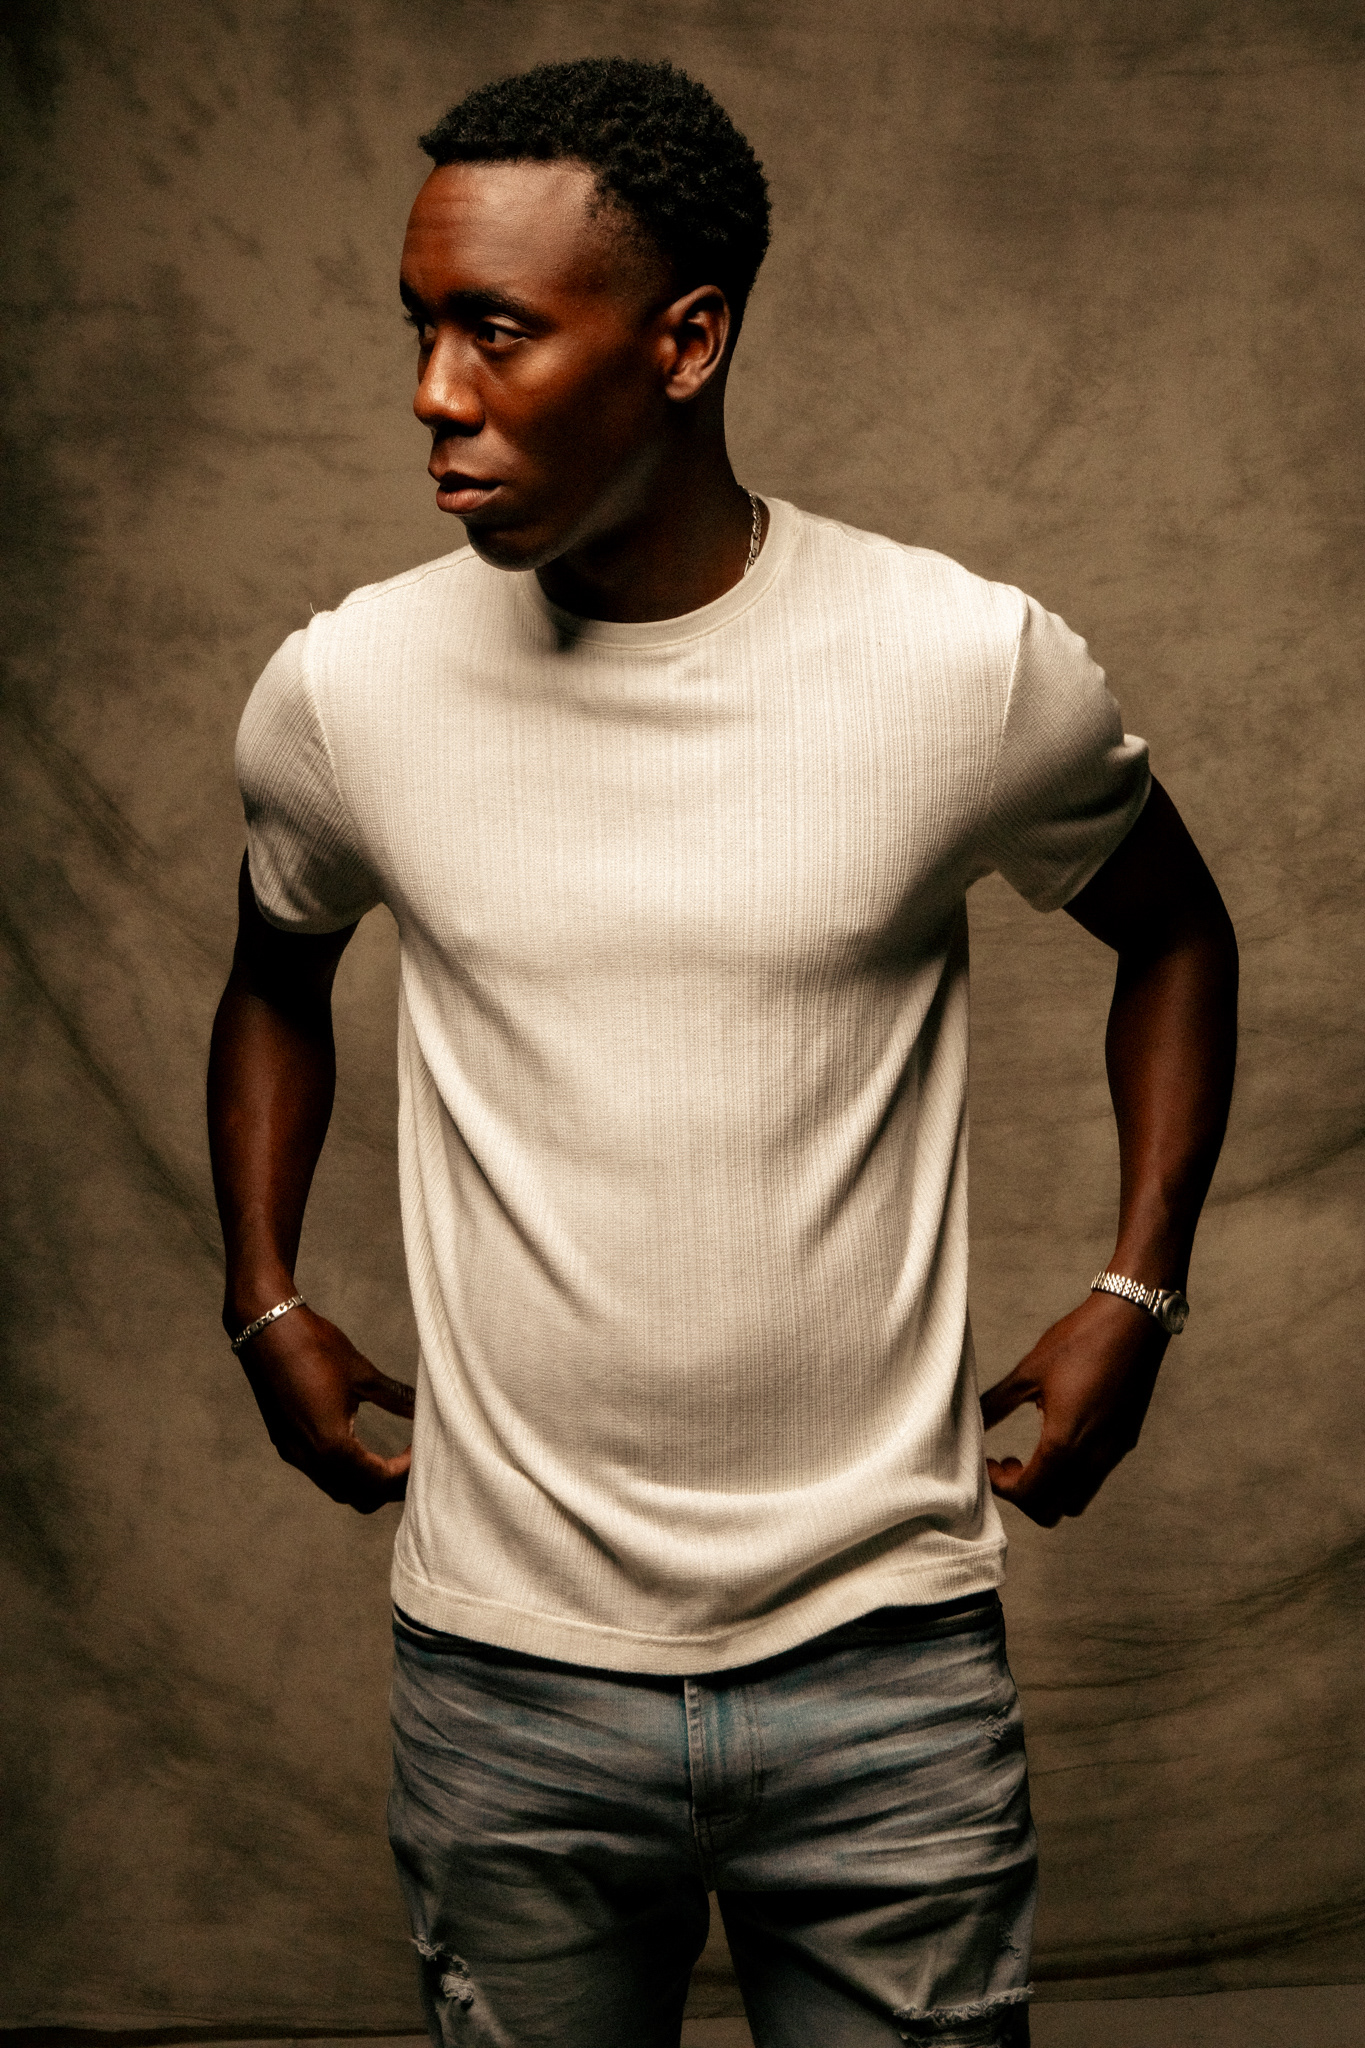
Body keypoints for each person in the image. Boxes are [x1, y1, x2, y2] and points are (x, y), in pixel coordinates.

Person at [207, 55, 1237, 2048]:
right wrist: (260, 1293)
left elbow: (1174, 932)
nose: (431, 393)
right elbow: (270, 972)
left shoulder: (959, 666)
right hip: (502, 1674)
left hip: (884, 1663)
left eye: (495, 330)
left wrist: (1138, 1284)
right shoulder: (346, 689)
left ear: (683, 343)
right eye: (417, 329)